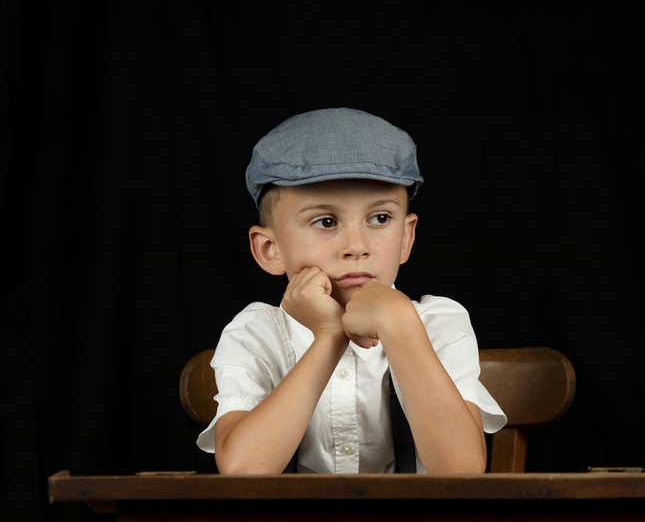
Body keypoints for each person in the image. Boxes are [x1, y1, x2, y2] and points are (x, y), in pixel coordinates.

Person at [196, 107, 507, 474]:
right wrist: (328, 338)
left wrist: (400, 325)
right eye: (326, 221)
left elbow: (461, 473)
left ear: (406, 238)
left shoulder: (439, 322)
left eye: (380, 218)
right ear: (270, 249)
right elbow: (245, 472)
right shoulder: (256, 333)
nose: (357, 245)